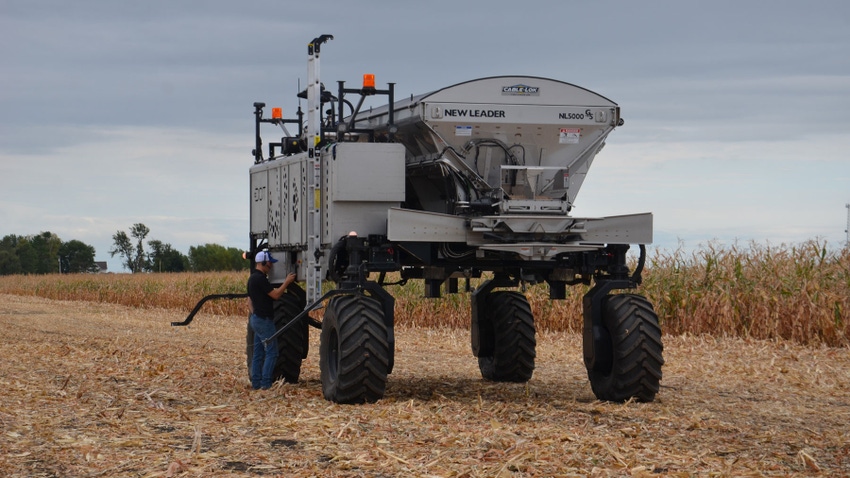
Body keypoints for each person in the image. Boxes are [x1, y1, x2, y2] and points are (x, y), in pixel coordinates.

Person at [247, 250, 296, 390]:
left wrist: (255, 313)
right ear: (262, 263)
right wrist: (286, 282)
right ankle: (266, 383)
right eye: (269, 264)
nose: (271, 266)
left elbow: (248, 301)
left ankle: (256, 384)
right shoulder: (261, 279)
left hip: (256, 319)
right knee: (272, 352)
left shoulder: (251, 278)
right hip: (264, 320)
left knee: (258, 353)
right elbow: (275, 295)